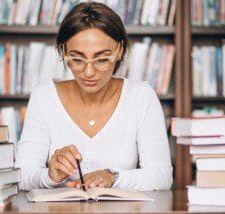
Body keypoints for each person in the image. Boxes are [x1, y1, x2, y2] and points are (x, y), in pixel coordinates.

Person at [15, 2, 173, 191]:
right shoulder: (44, 96)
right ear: (64, 52)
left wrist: (112, 177)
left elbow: (162, 177)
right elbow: (22, 175)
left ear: (119, 50)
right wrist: (49, 176)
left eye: (102, 59)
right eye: (77, 59)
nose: (88, 72)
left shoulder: (141, 96)